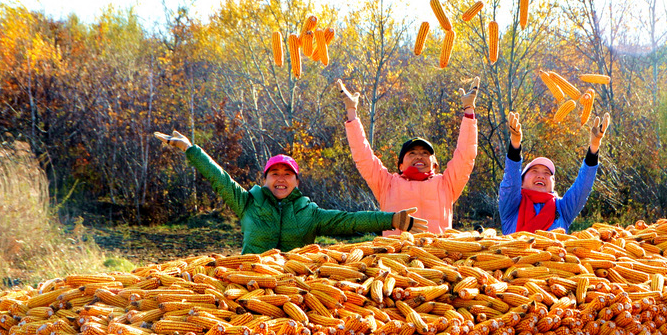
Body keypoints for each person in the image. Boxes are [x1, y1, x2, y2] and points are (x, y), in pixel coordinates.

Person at [154, 130, 427, 253]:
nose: (281, 180)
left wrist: (391, 219)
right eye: (275, 174)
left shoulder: (310, 212)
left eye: (287, 175)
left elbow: (350, 220)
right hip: (251, 285)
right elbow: (219, 178)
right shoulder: (247, 202)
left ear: (297, 181)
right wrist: (190, 149)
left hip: (294, 290)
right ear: (265, 179)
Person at [336, 77, 480, 235]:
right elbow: (363, 156)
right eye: (412, 153)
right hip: (398, 256)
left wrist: (469, 110)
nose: (419, 156)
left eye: (425, 153)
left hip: (437, 255)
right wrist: (351, 112)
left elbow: (465, 156)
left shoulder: (446, 184)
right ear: (400, 166)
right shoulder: (386, 184)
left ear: (435, 164)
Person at [498, 111, 611, 234]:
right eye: (534, 170)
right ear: (521, 182)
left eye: (547, 173)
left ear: (553, 184)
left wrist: (594, 148)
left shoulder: (562, 208)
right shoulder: (512, 206)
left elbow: (583, 187)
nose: (541, 176)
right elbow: (511, 179)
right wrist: (515, 144)